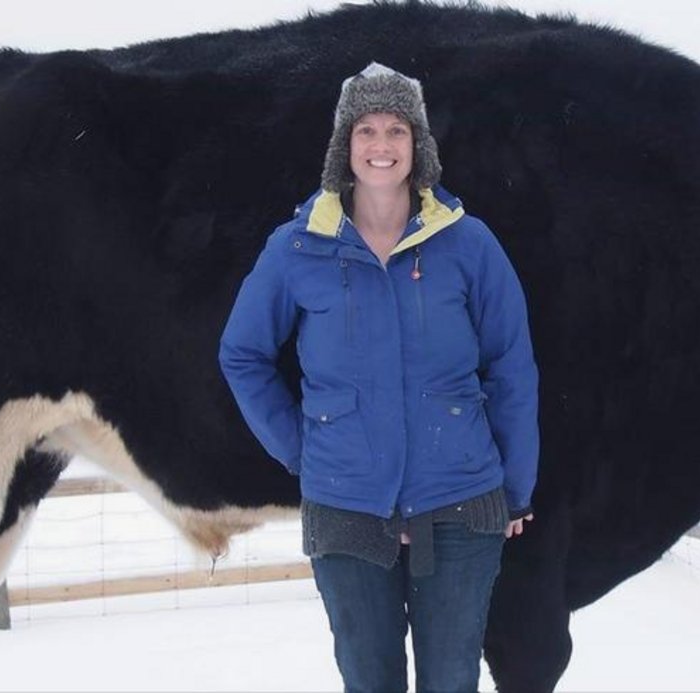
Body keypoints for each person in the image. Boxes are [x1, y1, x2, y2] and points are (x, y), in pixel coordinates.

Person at [219, 62, 539, 692]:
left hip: (460, 503)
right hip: (345, 504)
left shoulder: (469, 244)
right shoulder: (297, 248)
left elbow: (511, 365)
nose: (382, 145)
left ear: (418, 145)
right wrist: (303, 451)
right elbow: (243, 354)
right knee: (370, 681)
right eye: (366, 130)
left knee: (451, 681)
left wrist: (517, 486)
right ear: (346, 146)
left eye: (397, 130)